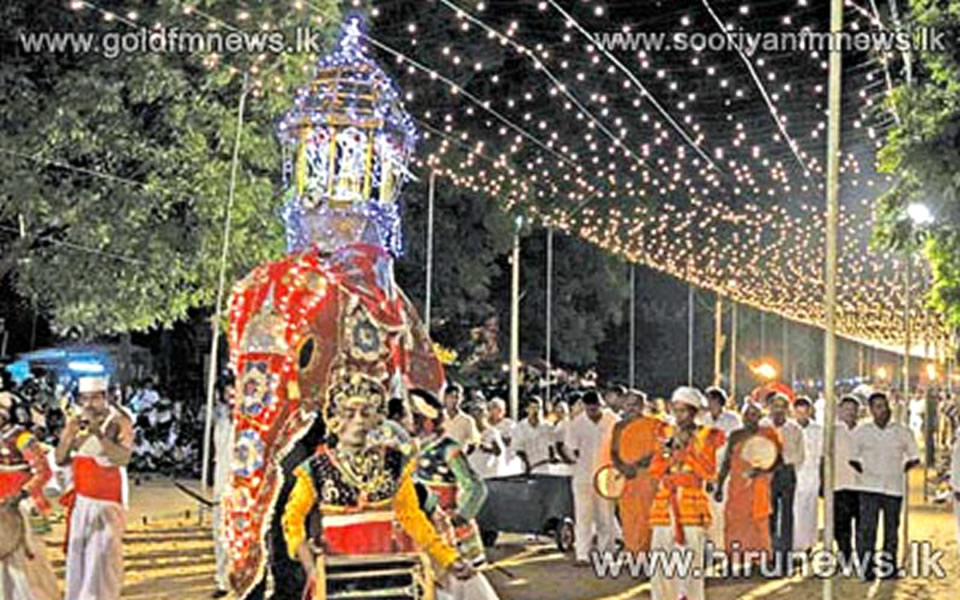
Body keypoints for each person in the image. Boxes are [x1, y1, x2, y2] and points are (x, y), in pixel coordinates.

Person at [281, 375, 475, 600]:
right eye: (349, 413)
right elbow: (292, 519)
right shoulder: (315, 468)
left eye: (366, 413)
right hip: (337, 578)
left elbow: (412, 517)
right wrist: (308, 561)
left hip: (389, 574)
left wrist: (448, 559)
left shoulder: (394, 462)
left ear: (377, 418)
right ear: (334, 419)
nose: (358, 420)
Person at [409, 388, 500, 600]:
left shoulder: (447, 448)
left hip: (448, 528)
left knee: (462, 586)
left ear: (427, 421)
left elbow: (475, 487)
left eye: (414, 417)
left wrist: (460, 516)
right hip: (421, 527)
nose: (410, 422)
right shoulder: (410, 448)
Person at [55, 375, 134, 600]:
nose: (89, 404)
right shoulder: (75, 421)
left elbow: (122, 458)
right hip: (82, 499)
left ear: (106, 397)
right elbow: (60, 459)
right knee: (79, 556)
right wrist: (69, 434)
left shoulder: (119, 421)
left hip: (107, 499)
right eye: (84, 399)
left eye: (94, 398)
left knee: (103, 556)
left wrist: (98, 432)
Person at [648, 387, 724, 600]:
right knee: (661, 561)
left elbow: (709, 472)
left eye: (684, 411)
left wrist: (687, 452)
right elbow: (655, 470)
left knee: (691, 563)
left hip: (691, 503)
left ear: (694, 413)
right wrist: (667, 452)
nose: (679, 416)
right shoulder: (664, 434)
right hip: (665, 502)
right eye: (676, 410)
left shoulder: (707, 436)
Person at [850, 391, 920, 581]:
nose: (884, 410)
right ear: (871, 410)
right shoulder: (862, 432)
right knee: (867, 530)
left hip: (893, 488)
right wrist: (868, 471)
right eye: (878, 406)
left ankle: (889, 568)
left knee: (891, 530)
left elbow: (914, 457)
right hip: (868, 488)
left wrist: (899, 470)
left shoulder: (902, 431)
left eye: (885, 405)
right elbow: (852, 458)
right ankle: (867, 569)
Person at [0, 391, 58, 600]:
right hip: (2, 508)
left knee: (30, 559)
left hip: (25, 505)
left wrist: (20, 495)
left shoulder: (24, 438)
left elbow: (43, 473)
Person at [715, 402, 781, 564]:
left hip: (758, 485)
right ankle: (735, 557)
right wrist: (719, 485)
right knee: (735, 521)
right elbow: (727, 462)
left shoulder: (768, 434)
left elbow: (778, 460)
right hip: (737, 487)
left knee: (758, 522)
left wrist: (761, 471)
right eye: (746, 415)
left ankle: (760, 560)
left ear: (760, 417)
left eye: (753, 415)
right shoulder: (736, 435)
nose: (749, 419)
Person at [563, 389, 619, 566]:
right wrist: (574, 460)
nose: (594, 412)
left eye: (596, 408)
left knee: (606, 516)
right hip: (583, 476)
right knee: (583, 516)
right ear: (585, 407)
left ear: (601, 404)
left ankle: (606, 554)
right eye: (590, 409)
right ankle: (582, 555)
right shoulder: (576, 424)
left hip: (606, 475)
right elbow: (570, 448)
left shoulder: (613, 420)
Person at [610, 389, 666, 553]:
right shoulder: (619, 427)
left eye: (636, 405)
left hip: (647, 477)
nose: (632, 408)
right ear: (623, 406)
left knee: (647, 517)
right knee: (628, 517)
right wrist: (622, 467)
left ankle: (647, 553)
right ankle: (633, 551)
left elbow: (660, 449)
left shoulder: (654, 424)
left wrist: (639, 465)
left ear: (643, 406)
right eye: (628, 405)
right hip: (627, 478)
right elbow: (613, 451)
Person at [765, 393, 804, 573]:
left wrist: (783, 460)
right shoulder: (762, 426)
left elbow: (801, 455)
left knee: (787, 516)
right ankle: (771, 555)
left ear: (787, 409)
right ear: (770, 408)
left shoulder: (794, 429)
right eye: (775, 405)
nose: (778, 409)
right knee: (768, 515)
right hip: (767, 474)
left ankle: (786, 556)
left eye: (782, 406)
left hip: (787, 473)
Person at [700, 387, 741, 549]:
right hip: (706, 469)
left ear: (719, 402)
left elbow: (734, 447)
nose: (709, 404)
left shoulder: (732, 420)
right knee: (708, 509)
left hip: (726, 469)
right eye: (707, 400)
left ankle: (722, 546)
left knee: (722, 508)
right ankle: (709, 545)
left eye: (711, 400)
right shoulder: (703, 420)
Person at [211, 379, 235, 599]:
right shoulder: (221, 422)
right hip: (221, 485)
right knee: (220, 534)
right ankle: (222, 580)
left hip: (243, 488)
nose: (232, 399)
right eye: (228, 395)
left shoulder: (251, 424)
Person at [833, 394, 862, 564]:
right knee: (841, 525)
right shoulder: (832, 431)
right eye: (846, 409)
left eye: (853, 410)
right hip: (839, 484)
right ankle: (845, 556)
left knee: (861, 525)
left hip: (860, 485)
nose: (850, 413)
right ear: (839, 411)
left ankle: (861, 556)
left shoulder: (864, 431)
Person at [792, 396, 822, 553]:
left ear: (810, 412)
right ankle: (795, 545)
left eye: (804, 412)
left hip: (812, 475)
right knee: (795, 511)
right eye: (798, 412)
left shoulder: (817, 430)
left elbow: (823, 454)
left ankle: (809, 545)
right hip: (794, 476)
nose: (801, 416)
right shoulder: (790, 428)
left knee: (810, 511)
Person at [513, 396, 556, 474]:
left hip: (546, 469)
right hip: (527, 469)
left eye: (538, 408)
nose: (536, 411)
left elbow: (552, 447)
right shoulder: (520, 427)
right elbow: (518, 449)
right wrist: (527, 464)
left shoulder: (549, 426)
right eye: (532, 408)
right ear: (527, 409)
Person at [467, 402, 505, 479]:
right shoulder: (469, 432)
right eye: (474, 415)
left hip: (488, 473)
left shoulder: (491, 432)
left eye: (479, 414)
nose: (477, 418)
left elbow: (499, 451)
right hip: (473, 472)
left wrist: (486, 448)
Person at [442, 382, 480, 450]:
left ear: (462, 399)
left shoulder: (467, 421)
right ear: (445, 398)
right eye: (451, 397)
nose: (454, 401)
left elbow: (475, 442)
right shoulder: (438, 417)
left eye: (457, 397)